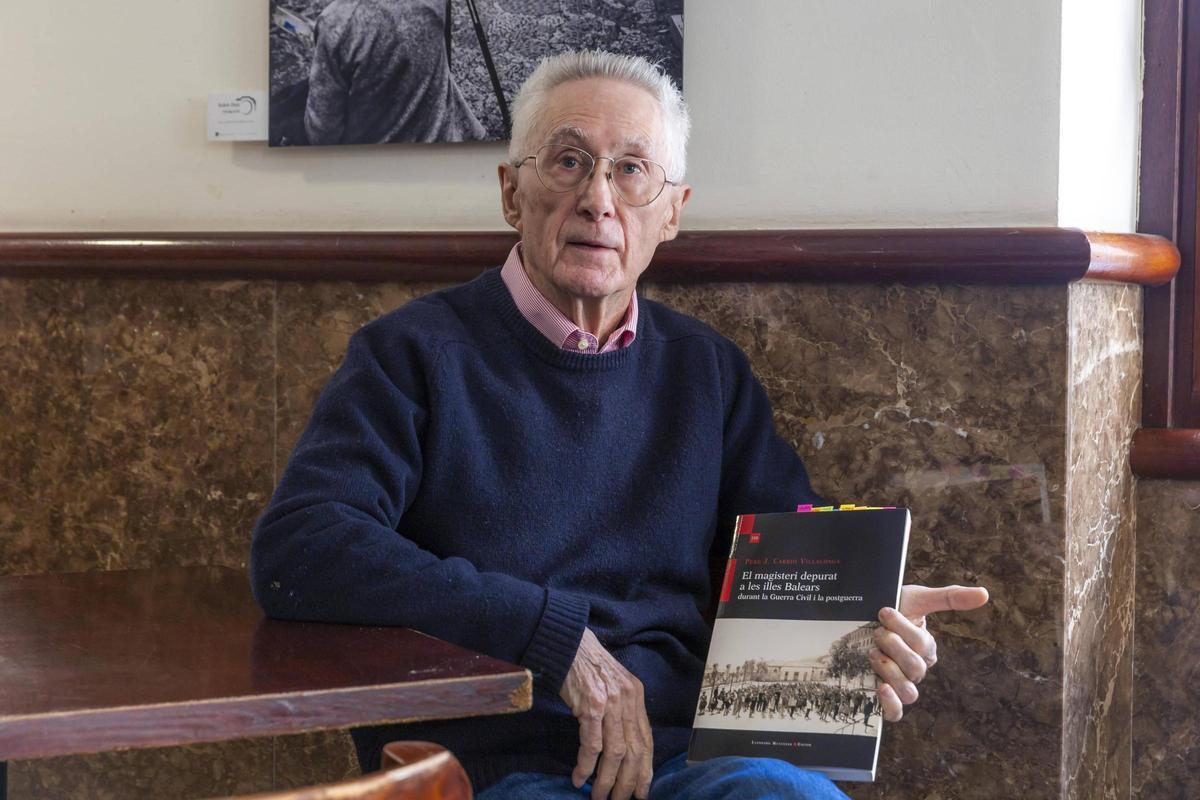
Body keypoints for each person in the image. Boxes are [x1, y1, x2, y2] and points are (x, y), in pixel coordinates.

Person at [251, 49, 989, 800]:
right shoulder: (412, 355)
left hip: (690, 759)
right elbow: (302, 546)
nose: (599, 199)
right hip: (496, 768)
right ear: (512, 192)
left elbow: (783, 543)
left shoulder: (708, 373)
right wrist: (554, 638)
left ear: (672, 211)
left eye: (632, 170)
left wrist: (865, 614)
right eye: (569, 161)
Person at [304, 0, 486, 145]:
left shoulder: (337, 21)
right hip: (442, 138)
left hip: (373, 164)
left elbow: (321, 135)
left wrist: (329, 45)